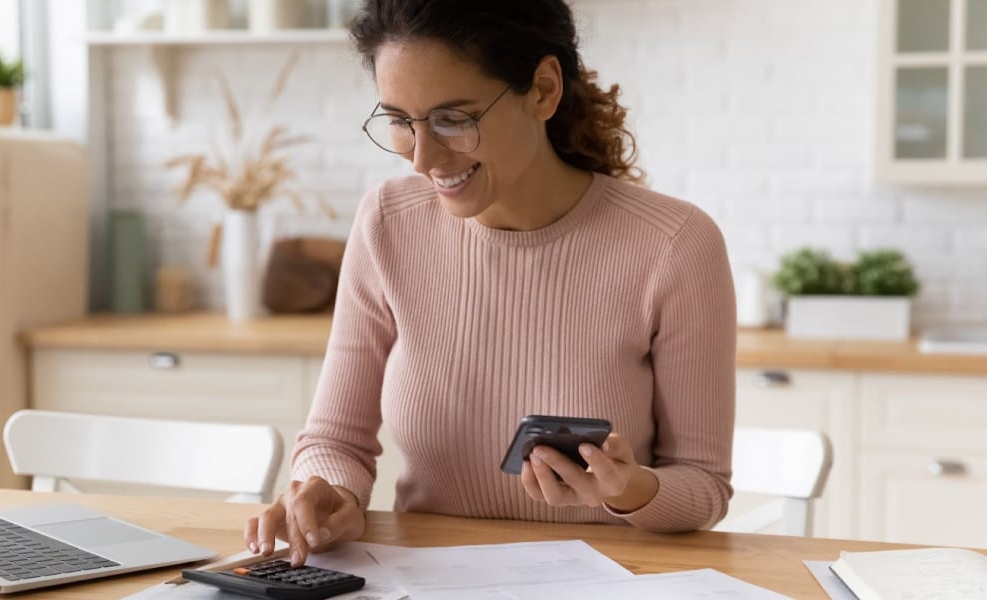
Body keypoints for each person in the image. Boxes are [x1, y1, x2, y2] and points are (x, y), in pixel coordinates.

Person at [247, 0, 737, 566]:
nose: (422, 159)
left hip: (605, 581)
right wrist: (330, 492)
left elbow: (704, 488)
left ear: (544, 90)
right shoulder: (387, 222)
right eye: (402, 122)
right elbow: (335, 440)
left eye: (454, 119)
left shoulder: (675, 244)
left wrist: (626, 490)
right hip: (426, 579)